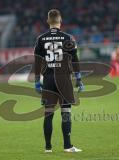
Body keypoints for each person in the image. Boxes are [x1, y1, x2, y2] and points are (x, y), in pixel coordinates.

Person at [34, 9, 84, 153]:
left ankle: (48, 148)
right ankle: (68, 146)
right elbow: (75, 59)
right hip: (64, 79)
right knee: (66, 112)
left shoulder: (41, 39)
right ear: (60, 20)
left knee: (48, 113)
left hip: (48, 79)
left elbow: (37, 62)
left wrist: (37, 81)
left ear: (48, 21)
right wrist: (79, 79)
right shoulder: (68, 37)